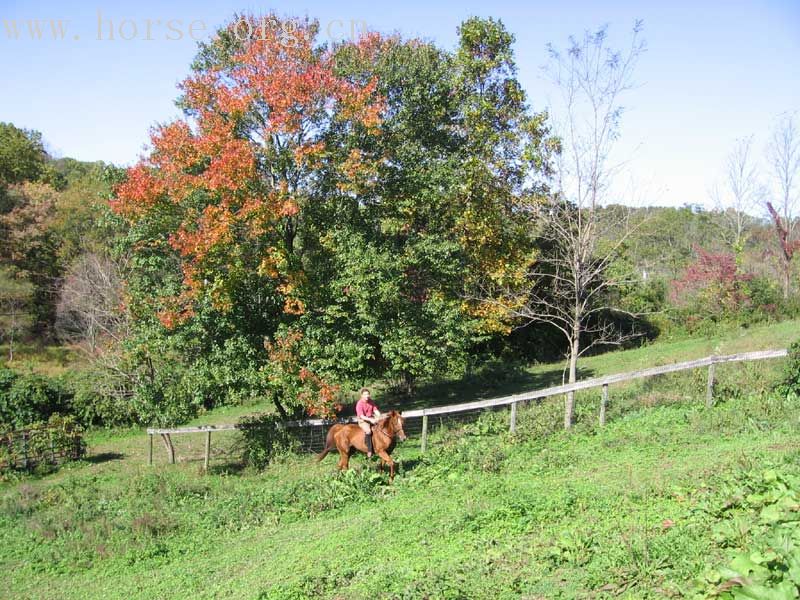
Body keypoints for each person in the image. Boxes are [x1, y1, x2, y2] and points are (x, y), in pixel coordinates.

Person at [355, 387, 381, 457]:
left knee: (380, 427)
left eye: (368, 394)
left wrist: (379, 416)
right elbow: (361, 416)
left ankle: (379, 445)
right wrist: (370, 420)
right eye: (365, 394)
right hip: (363, 420)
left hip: (371, 418)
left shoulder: (371, 401)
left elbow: (375, 410)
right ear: (362, 395)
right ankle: (369, 450)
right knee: (368, 431)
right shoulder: (359, 404)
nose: (367, 396)